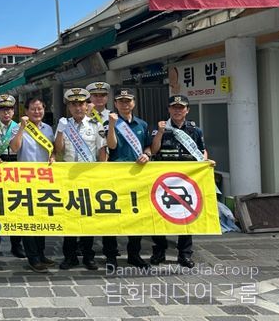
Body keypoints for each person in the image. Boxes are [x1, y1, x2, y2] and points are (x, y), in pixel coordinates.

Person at [150, 94, 212, 269]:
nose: (177, 110)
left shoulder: (195, 130)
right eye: (174, 107)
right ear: (169, 109)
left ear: (187, 110)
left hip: (186, 181)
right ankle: (159, 251)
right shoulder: (160, 128)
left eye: (181, 107)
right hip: (163, 180)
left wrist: (205, 163)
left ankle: (184, 254)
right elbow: (153, 150)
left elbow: (202, 151)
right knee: (160, 216)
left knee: (186, 217)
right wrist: (160, 132)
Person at [54, 88, 107, 271]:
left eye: (81, 104)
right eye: (73, 104)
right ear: (69, 107)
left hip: (88, 177)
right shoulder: (64, 124)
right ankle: (69, 257)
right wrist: (60, 132)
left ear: (86, 106)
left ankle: (88, 256)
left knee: (87, 218)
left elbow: (102, 151)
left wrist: (101, 175)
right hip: (69, 178)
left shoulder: (95, 125)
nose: (77, 108)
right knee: (70, 218)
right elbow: (59, 150)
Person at [102, 89, 152, 270]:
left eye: (128, 101)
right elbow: (111, 145)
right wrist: (112, 125)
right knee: (112, 216)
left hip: (137, 176)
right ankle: (110, 255)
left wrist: (147, 155)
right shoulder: (109, 122)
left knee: (136, 217)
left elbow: (148, 146)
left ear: (133, 103)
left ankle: (134, 254)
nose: (125, 104)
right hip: (115, 176)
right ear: (115, 104)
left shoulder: (142, 124)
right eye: (121, 101)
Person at [9, 98, 55, 273]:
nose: (37, 112)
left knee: (41, 219)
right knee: (28, 220)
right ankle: (33, 257)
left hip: (44, 180)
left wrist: (53, 157)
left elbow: (52, 149)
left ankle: (41, 254)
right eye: (33, 109)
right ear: (26, 111)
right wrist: (22, 127)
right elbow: (14, 148)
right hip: (25, 179)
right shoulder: (17, 128)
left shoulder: (48, 129)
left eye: (40, 108)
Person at [0, 94, 25, 259]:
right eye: (2, 110)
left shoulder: (20, 127)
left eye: (9, 109)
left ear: (13, 111)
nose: (6, 113)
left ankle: (17, 244)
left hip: (16, 169)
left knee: (16, 206)